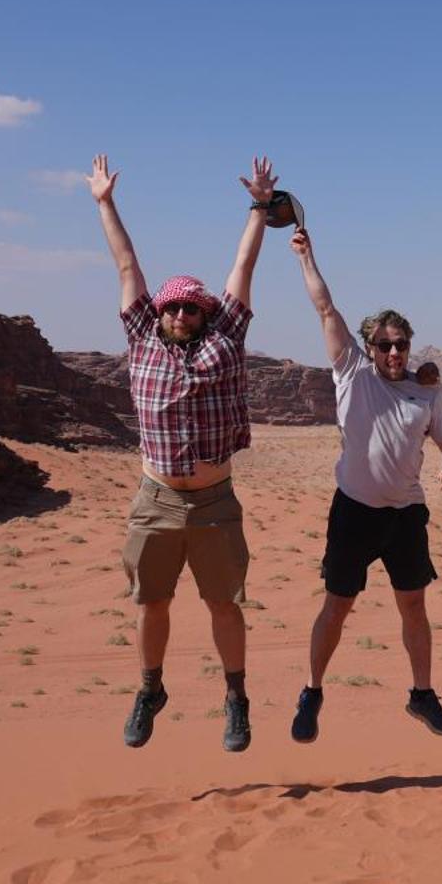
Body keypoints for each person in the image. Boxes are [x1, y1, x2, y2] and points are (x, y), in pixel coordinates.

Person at [89, 152, 279, 754]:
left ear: (205, 313)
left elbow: (244, 264)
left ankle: (236, 697)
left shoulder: (227, 336)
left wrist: (259, 207)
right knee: (151, 601)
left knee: (224, 604)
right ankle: (150, 690)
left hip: (216, 502)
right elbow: (126, 263)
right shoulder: (142, 337)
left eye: (188, 307)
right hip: (156, 500)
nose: (177, 313)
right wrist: (105, 202)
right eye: (170, 306)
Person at [287, 224, 442, 742]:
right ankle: (312, 691)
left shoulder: (426, 394)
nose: (394, 353)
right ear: (368, 347)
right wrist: (306, 257)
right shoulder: (352, 373)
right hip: (355, 511)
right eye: (385, 345)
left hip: (406, 514)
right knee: (337, 606)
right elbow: (325, 309)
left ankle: (422, 695)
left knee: (414, 605)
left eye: (402, 345)